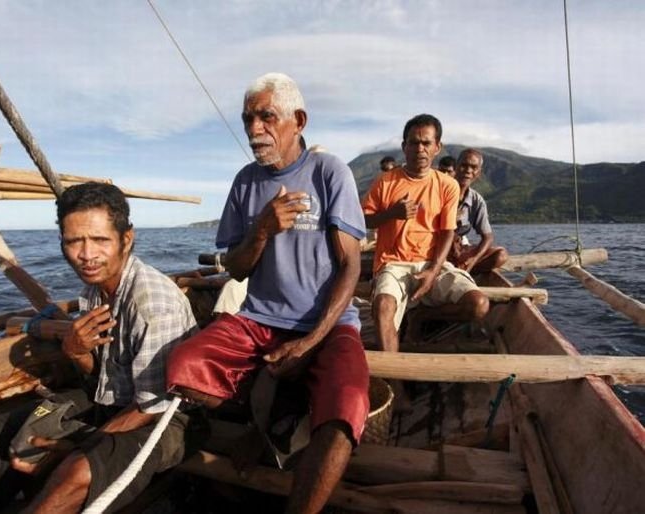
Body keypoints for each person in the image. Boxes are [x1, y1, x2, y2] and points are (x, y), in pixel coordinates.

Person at [166, 72, 369, 514]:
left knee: (345, 414)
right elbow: (237, 269)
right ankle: (271, 417)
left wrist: (311, 340)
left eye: (266, 116)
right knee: (181, 367)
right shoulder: (245, 182)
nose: (255, 129)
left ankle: (273, 419)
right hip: (260, 320)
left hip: (327, 326)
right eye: (248, 119)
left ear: (297, 120)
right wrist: (262, 227)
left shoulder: (329, 171)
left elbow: (351, 264)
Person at [0, 183, 203, 513]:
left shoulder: (153, 304)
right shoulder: (96, 290)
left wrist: (74, 446)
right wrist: (77, 350)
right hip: (111, 402)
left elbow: (151, 407)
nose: (86, 254)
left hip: (170, 418)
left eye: (99, 240)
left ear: (127, 239)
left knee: (78, 468)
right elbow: (101, 377)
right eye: (74, 241)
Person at [361, 114, 489, 353]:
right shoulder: (385, 182)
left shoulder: (447, 185)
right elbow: (363, 219)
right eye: (414, 142)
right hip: (393, 264)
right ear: (404, 147)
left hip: (432, 263)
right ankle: (394, 377)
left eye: (426, 143)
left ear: (437, 147)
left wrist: (433, 271)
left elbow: (446, 233)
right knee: (383, 307)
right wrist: (392, 213)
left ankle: (422, 315)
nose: (420, 148)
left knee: (479, 305)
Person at [450, 148, 508, 273]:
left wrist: (473, 259)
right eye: (464, 165)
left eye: (473, 167)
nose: (468, 171)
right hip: (436, 249)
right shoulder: (440, 191)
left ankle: (465, 269)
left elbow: (488, 237)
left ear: (479, 172)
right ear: (456, 166)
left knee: (501, 256)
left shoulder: (477, 200)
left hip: (458, 252)